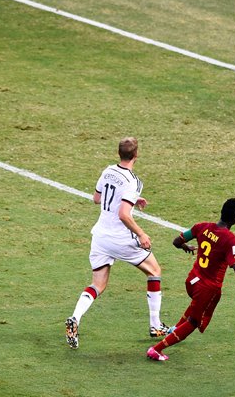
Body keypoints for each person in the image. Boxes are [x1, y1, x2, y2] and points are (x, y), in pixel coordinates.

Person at [146, 198, 235, 361]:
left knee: (196, 306)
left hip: (191, 281)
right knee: (193, 323)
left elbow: (177, 241)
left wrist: (186, 247)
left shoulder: (201, 227)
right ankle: (156, 350)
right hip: (206, 289)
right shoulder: (230, 240)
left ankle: (174, 329)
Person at [65, 137, 170, 349]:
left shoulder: (108, 171)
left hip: (100, 237)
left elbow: (97, 198)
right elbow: (123, 214)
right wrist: (141, 234)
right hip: (120, 238)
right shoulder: (134, 181)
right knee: (154, 271)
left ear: (118, 153)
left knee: (98, 284)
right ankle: (155, 325)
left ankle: (75, 319)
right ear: (136, 155)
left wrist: (131, 200)